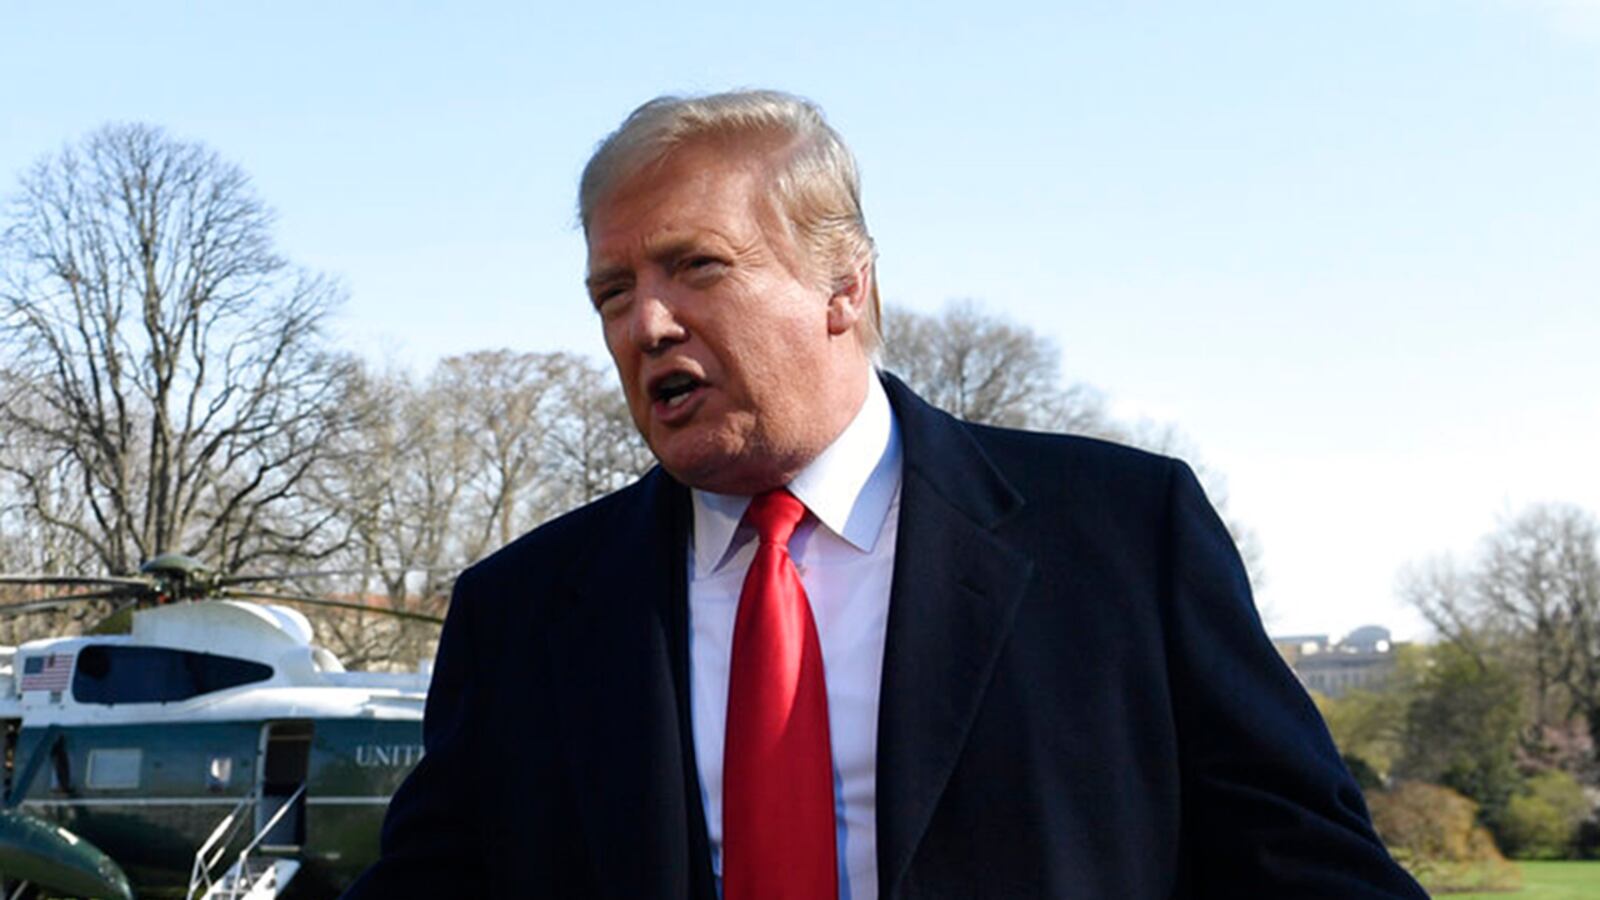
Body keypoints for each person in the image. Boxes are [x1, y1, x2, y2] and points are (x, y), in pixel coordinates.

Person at [345, 90, 1426, 900]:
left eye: (698, 267)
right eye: (612, 292)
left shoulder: (1124, 540)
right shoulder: (523, 611)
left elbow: (1309, 874)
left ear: (842, 285)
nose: (648, 324)